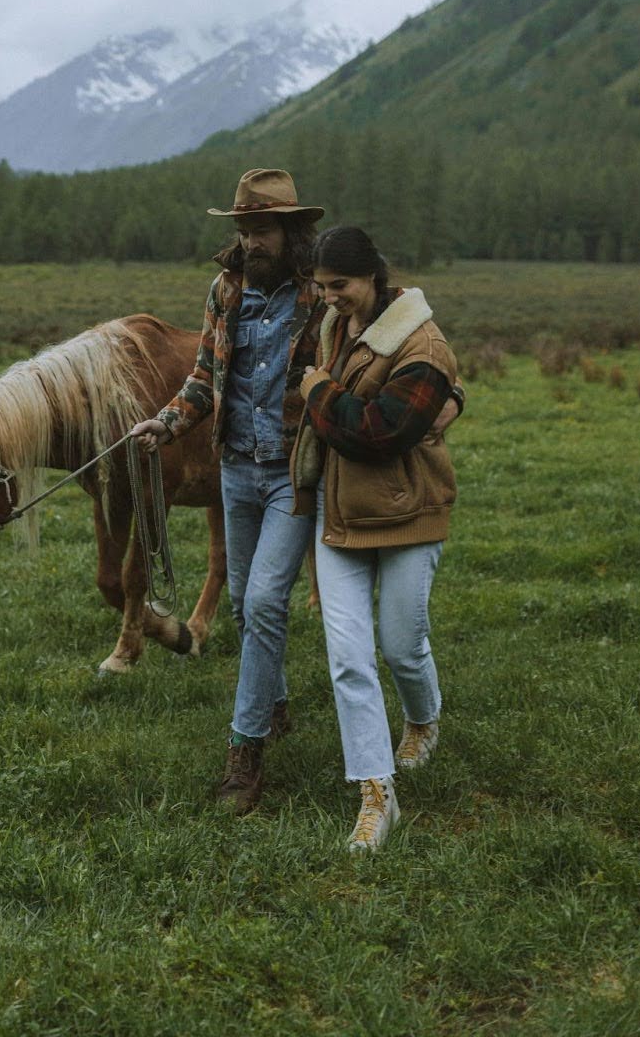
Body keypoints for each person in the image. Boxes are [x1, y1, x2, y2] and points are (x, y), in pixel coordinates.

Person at [131, 167, 326, 815]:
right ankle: (275, 704)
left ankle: (245, 756)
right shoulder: (226, 289)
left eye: (262, 229)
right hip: (234, 470)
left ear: (291, 230)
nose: (250, 242)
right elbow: (204, 377)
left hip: (291, 472)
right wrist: (165, 422)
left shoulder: (318, 298)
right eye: (243, 230)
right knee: (243, 601)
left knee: (266, 599)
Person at [291, 225, 461, 853]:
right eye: (322, 287)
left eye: (340, 286)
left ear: (374, 277)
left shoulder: (422, 346)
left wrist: (317, 390)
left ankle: (423, 717)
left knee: (401, 645)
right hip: (338, 517)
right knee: (349, 659)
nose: (329, 297)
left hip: (410, 512)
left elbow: (377, 433)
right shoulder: (339, 326)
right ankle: (375, 793)